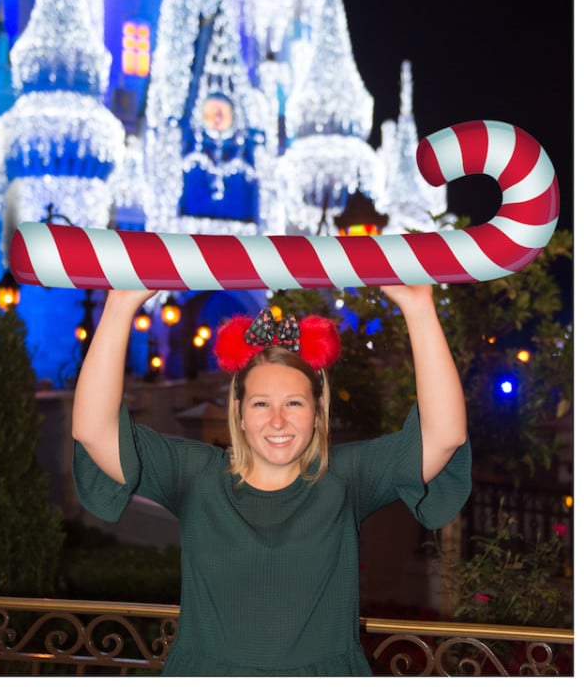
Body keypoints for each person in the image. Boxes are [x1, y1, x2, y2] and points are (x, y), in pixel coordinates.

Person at [71, 284, 470, 675]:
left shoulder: (347, 477)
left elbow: (444, 436)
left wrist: (419, 309)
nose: (277, 420)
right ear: (240, 413)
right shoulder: (195, 474)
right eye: (262, 404)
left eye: (294, 403)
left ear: (317, 411)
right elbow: (94, 432)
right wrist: (120, 306)